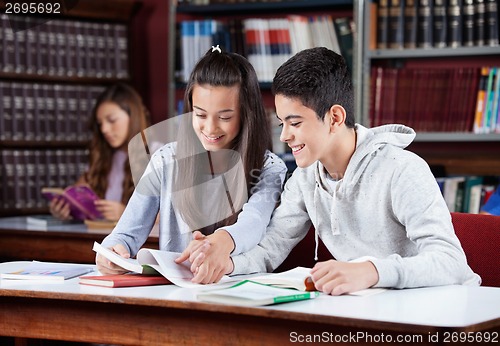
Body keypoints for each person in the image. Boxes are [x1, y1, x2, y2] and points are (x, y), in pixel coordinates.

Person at [209, 47, 481, 295]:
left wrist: (371, 271)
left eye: (295, 123)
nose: (285, 137)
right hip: (377, 309)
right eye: (282, 124)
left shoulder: (402, 170)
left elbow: (451, 262)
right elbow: (271, 247)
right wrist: (225, 264)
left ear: (335, 117)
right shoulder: (304, 179)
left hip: (447, 310)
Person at [96, 47, 287, 283]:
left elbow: (255, 221)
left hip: (240, 291)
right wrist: (112, 252)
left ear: (246, 115)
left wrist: (218, 243)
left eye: (225, 117)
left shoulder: (269, 168)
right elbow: (125, 233)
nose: (210, 128)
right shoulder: (165, 160)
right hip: (176, 292)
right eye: (200, 115)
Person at [49, 83, 152, 221]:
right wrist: (64, 209)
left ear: (133, 117)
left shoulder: (158, 154)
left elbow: (172, 214)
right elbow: (75, 195)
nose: (104, 129)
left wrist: (126, 213)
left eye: (112, 120)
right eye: (100, 124)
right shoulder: (104, 158)